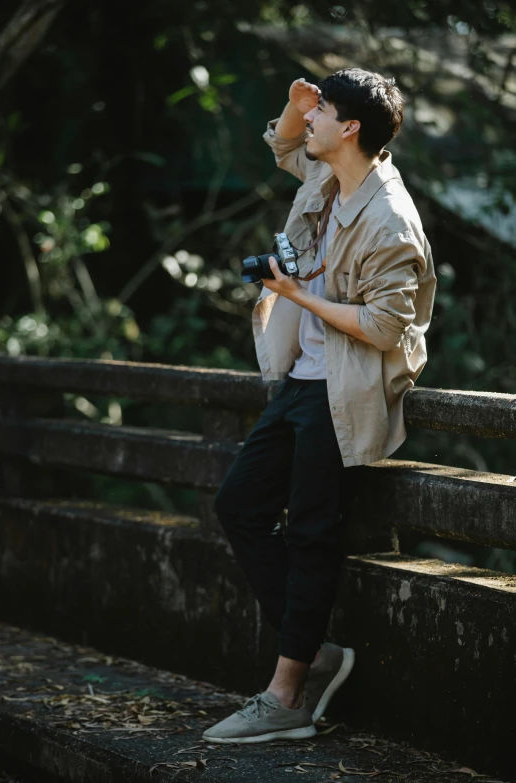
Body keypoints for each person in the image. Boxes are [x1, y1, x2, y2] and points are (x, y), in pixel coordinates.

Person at [203, 68, 437, 744]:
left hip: (344, 387)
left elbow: (387, 326)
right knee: (238, 505)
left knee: (310, 535)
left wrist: (297, 295)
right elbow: (284, 145)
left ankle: (287, 694)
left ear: (353, 128)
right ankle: (317, 652)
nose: (312, 122)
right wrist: (293, 106)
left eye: (324, 111)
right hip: (302, 381)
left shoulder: (390, 219)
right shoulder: (328, 176)